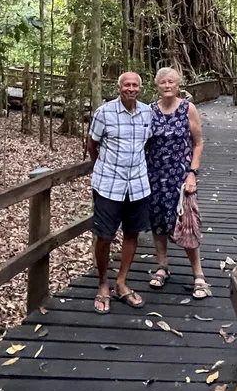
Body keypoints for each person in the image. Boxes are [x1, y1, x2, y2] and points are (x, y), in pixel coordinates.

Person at [85, 71, 151, 314]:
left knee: (132, 234)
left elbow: (148, 143)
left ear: (140, 89)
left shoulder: (147, 113)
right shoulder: (104, 113)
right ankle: (103, 283)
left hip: (138, 185)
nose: (131, 89)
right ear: (119, 87)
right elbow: (92, 144)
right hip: (109, 185)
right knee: (104, 235)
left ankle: (121, 283)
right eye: (126, 85)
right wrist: (101, 168)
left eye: (135, 85)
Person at [146, 67, 210, 299]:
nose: (166, 86)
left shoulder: (187, 108)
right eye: (162, 82)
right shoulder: (150, 110)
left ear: (178, 84)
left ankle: (199, 275)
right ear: (157, 85)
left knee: (186, 222)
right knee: (159, 222)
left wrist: (192, 172)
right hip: (154, 175)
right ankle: (162, 266)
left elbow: (199, 142)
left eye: (170, 81)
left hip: (180, 175)